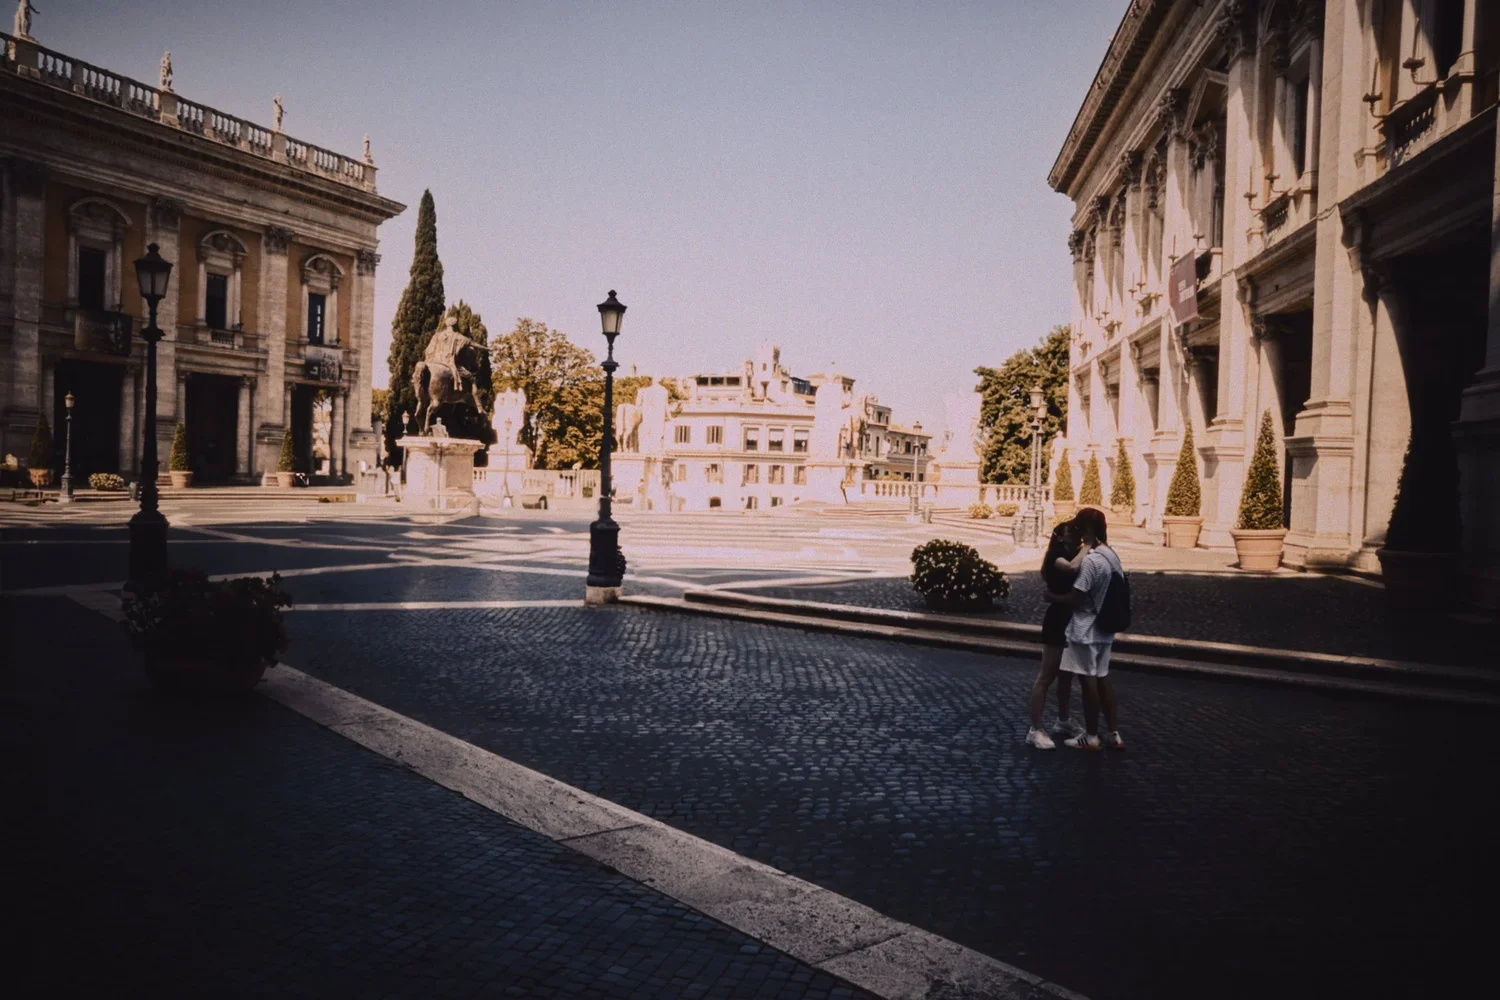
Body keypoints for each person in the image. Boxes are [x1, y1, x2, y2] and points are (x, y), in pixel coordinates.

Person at [1043, 506, 1125, 750]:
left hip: (1085, 627)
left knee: (1087, 681)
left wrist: (1051, 597)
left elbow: (1075, 598)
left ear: (1088, 530)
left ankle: (1090, 736)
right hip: (1105, 628)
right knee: (1103, 678)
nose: (1076, 532)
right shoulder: (1111, 555)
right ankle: (1113, 733)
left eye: (1079, 527)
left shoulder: (1091, 562)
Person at [1026, 518, 1084, 749]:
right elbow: (1071, 568)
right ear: (1061, 536)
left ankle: (1063, 720)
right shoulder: (1055, 555)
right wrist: (1089, 547)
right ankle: (1035, 729)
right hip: (1057, 619)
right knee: (1047, 674)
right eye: (1072, 532)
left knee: (1066, 675)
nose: (1077, 536)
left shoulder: (1074, 552)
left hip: (1070, 616)